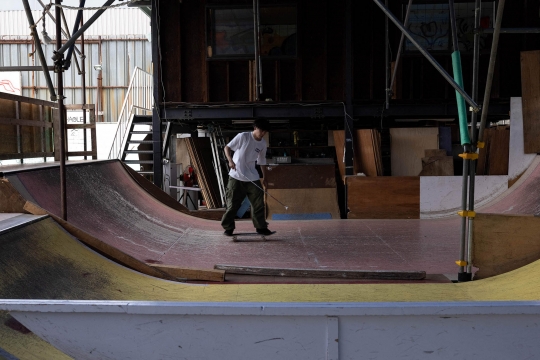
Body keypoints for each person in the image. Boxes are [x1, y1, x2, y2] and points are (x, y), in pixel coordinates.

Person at [221, 119, 272, 236]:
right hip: (236, 175)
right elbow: (227, 148)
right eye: (261, 130)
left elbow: (262, 161)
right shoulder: (243, 136)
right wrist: (230, 160)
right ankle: (228, 228)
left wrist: (265, 177)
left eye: (265, 132)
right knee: (232, 204)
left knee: (259, 203)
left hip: (252, 176)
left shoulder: (263, 143)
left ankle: (261, 228)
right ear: (255, 128)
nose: (263, 133)